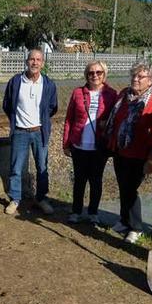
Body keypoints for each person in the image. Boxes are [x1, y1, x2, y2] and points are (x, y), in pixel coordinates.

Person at [105, 63, 152, 243]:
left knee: (131, 189)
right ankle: (124, 220)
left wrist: (151, 159)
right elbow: (115, 118)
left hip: (140, 154)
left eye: (140, 77)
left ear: (151, 80)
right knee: (123, 187)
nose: (135, 79)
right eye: (134, 76)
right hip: (121, 150)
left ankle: (135, 227)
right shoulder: (124, 95)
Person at [2, 49, 58, 215]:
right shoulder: (16, 82)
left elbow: (52, 107)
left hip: (39, 132)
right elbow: (7, 105)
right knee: (16, 168)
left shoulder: (48, 84)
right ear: (27, 61)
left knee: (42, 167)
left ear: (42, 63)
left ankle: (41, 199)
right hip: (20, 131)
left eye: (38, 60)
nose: (35, 62)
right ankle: (15, 199)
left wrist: (41, 121)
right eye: (32, 59)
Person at [62, 60, 117, 225]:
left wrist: (106, 123)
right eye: (91, 73)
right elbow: (69, 119)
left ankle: (93, 212)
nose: (95, 76)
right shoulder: (78, 93)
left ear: (104, 74)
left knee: (96, 180)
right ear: (87, 75)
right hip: (79, 145)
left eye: (98, 72)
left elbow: (116, 120)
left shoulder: (112, 94)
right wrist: (65, 143)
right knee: (79, 180)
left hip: (99, 147)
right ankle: (76, 211)